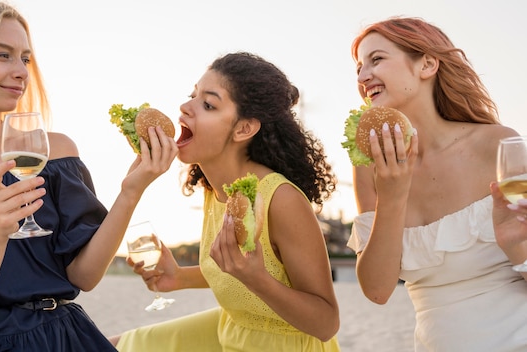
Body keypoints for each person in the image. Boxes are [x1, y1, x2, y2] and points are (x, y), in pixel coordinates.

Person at [0, 1, 177, 351]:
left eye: (25, 58)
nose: (21, 71)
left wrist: (131, 190)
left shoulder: (54, 152)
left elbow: (84, 276)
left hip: (65, 339)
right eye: (2, 55)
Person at [110, 52, 341, 351]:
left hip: (286, 343)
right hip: (232, 327)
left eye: (208, 104)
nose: (184, 107)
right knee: (113, 346)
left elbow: (326, 323)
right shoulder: (213, 189)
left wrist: (258, 279)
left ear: (244, 128)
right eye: (192, 95)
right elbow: (234, 270)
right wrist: (178, 277)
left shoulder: (280, 200)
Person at [347, 16, 527, 351]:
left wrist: (517, 246)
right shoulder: (370, 166)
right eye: (358, 67)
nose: (362, 76)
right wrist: (393, 198)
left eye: (377, 59)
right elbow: (377, 290)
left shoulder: (500, 146)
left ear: (427, 64)